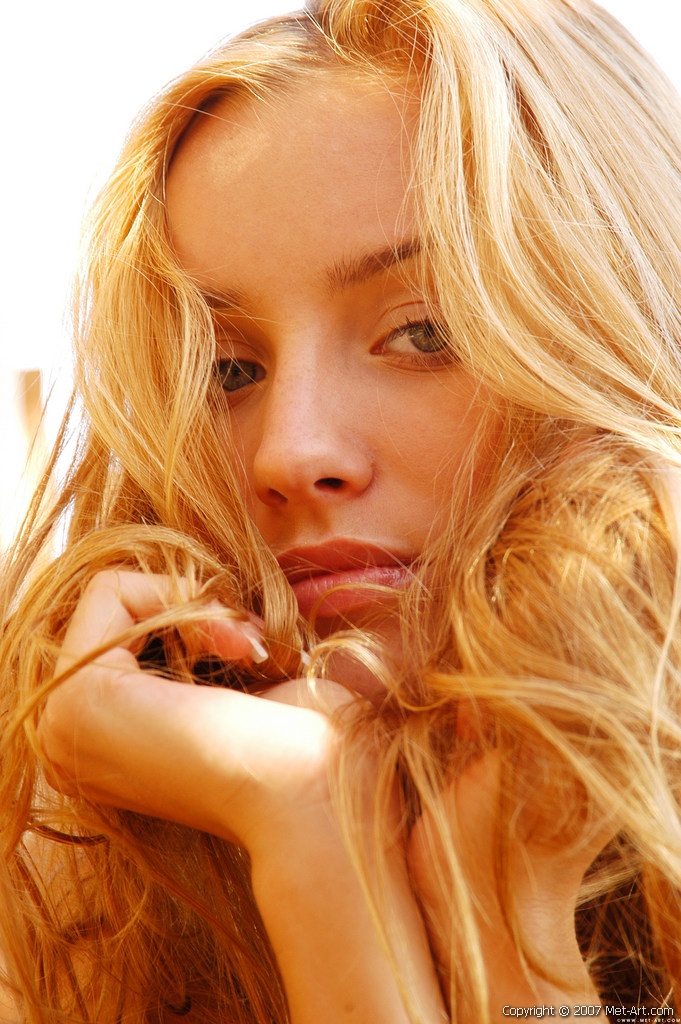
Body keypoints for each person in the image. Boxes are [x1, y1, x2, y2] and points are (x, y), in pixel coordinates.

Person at [1, 0, 681, 1020]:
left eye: (426, 331)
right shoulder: (62, 922)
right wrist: (313, 823)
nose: (289, 452)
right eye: (227, 368)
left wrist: (502, 931)